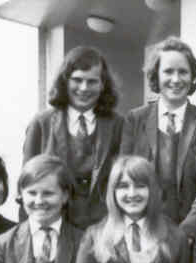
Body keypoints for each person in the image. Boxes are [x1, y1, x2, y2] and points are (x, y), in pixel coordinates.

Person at [120, 36, 196, 237]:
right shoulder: (135, 120)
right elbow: (123, 180)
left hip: (193, 236)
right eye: (168, 71)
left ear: (193, 76)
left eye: (183, 72)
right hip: (144, 232)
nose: (176, 79)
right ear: (156, 75)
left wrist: (184, 235)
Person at [22, 46, 123, 228]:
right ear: (65, 82)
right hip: (55, 227)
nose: (84, 88)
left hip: (103, 228)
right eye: (77, 80)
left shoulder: (118, 125)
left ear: (103, 85)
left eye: (92, 81)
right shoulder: (41, 124)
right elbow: (26, 186)